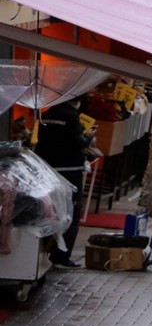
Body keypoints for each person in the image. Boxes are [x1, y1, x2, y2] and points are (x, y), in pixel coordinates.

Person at [35, 97, 93, 267]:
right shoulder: (71, 116)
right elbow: (78, 143)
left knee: (49, 210)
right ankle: (61, 256)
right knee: (70, 211)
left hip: (49, 169)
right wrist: (88, 137)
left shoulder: (47, 114)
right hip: (70, 171)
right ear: (77, 100)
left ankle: (43, 251)